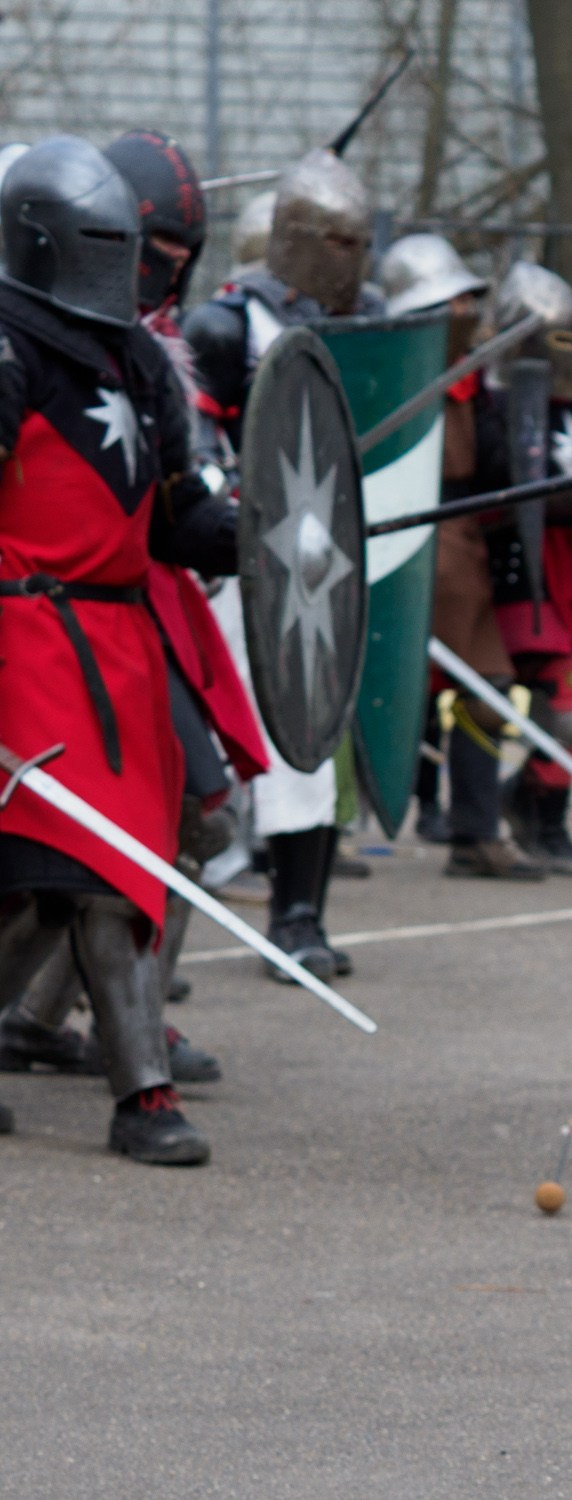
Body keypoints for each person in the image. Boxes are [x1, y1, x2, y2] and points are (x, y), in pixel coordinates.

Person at [0, 138, 242, 1164]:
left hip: (120, 642)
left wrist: (265, 530)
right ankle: (141, 1096)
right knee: (78, 872)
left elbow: (178, 521)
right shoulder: (6, 346)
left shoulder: (142, 360)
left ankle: (134, 1092)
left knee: (94, 876)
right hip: (26, 635)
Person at [185, 147, 379, 979]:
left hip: (322, 568)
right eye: (334, 241)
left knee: (311, 734)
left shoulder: (364, 325)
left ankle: (301, 917)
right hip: (236, 565)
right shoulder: (224, 327)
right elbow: (194, 447)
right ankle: (149, 942)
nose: (350, 258)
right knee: (209, 753)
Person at [376, 234, 543, 881]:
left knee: (486, 690)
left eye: (472, 299)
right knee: (414, 691)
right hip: (415, 540)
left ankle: (475, 830)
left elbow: (496, 468)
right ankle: (316, 831)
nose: (469, 310)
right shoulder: (391, 371)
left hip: (466, 539)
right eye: (456, 300)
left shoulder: (475, 377)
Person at [473, 262, 572, 878]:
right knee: (565, 700)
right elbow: (492, 482)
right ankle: (544, 817)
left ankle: (528, 793)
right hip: (526, 565)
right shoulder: (490, 400)